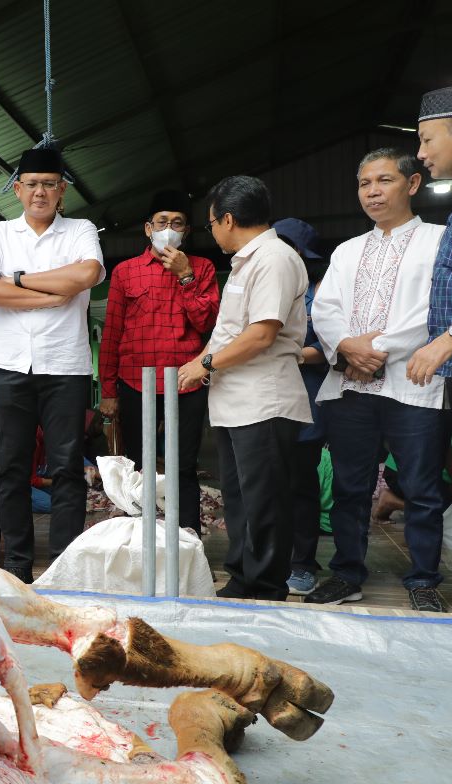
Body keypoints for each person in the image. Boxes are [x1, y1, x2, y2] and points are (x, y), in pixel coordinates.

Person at [307, 149, 448, 611]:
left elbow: (435, 312)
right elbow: (324, 310)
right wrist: (346, 346)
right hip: (352, 386)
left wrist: (372, 349)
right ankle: (347, 574)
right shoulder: (347, 251)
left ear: (411, 185)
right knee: (350, 487)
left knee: (422, 487)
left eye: (384, 180)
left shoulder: (439, 241)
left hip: (413, 381)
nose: (372, 192)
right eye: (364, 183)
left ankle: (423, 579)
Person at [0, 147, 105, 581]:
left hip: (64, 364)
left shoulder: (80, 229)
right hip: (8, 363)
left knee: (66, 465)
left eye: (49, 183)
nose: (40, 191)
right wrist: (51, 295)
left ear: (62, 189)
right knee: (11, 465)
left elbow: (85, 276)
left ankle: (63, 567)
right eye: (31, 184)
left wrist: (18, 280)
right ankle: (17, 566)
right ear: (17, 190)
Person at [178, 176, 311, 601]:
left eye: (211, 222)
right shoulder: (247, 260)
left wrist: (205, 363)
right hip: (236, 401)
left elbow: (261, 334)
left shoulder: (274, 257)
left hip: (264, 400)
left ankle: (265, 585)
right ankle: (242, 577)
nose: (211, 231)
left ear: (229, 219)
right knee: (238, 498)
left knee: (264, 501)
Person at [98, 190, 218, 535]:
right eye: (162, 222)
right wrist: (109, 390)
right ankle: (141, 537)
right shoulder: (125, 272)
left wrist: (185, 277)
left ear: (188, 232)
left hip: (187, 382)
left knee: (183, 466)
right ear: (148, 228)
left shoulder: (203, 268)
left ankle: (188, 540)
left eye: (177, 223)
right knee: (138, 466)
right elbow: (112, 333)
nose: (169, 228)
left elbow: (207, 324)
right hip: (136, 382)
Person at [407, 85, 452, 612]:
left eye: (427, 140)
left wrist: (450, 338)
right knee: (423, 472)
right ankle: (425, 580)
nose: (422, 153)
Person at [270, 218, 330, 596]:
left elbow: (330, 349)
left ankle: (303, 563)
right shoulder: (262, 286)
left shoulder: (320, 295)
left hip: (304, 401)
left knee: (300, 486)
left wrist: (290, 354)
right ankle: (273, 558)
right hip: (265, 401)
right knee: (270, 485)